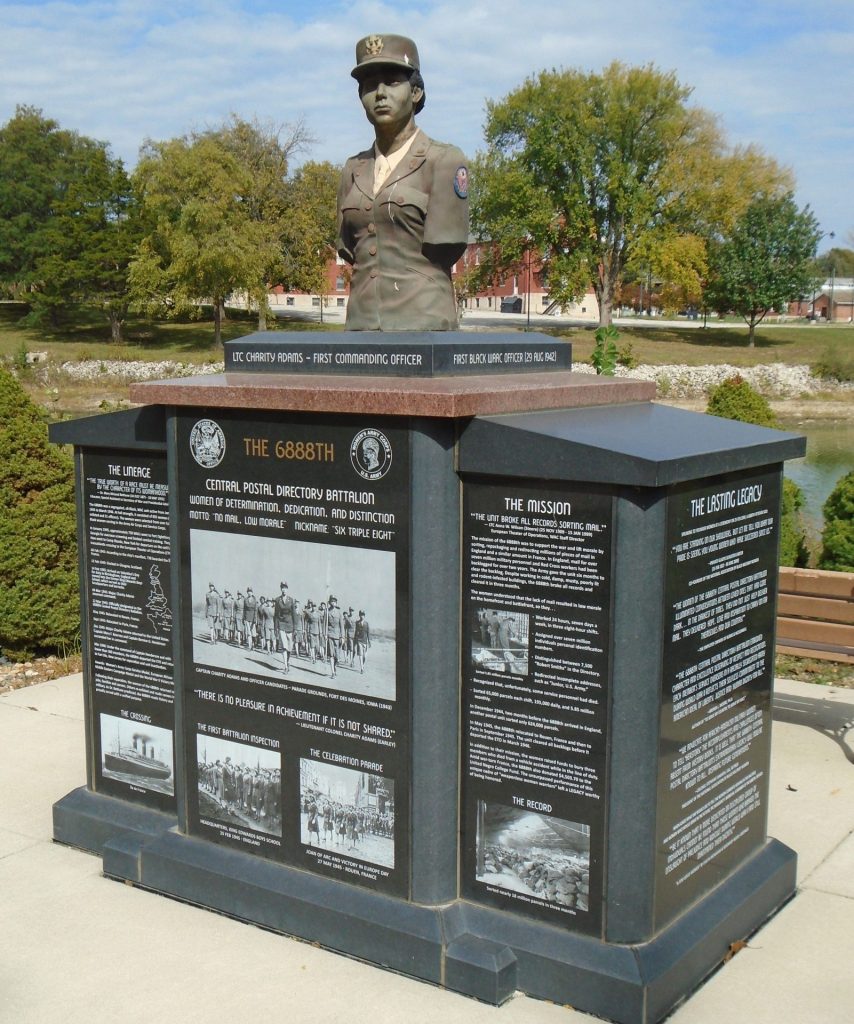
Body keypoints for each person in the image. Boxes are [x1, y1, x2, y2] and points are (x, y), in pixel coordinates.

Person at [337, 33, 469, 331]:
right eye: (369, 85)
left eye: (392, 82)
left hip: (424, 326)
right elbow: (347, 247)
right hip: (360, 327)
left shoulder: (443, 161)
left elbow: (446, 245)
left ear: (416, 92)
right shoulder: (352, 170)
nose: (380, 93)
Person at [273, 581, 296, 672]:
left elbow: (294, 614)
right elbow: (276, 615)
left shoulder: (291, 600)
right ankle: (286, 666)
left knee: (290, 647)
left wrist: (295, 628)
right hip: (281, 625)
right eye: (282, 587)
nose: (284, 589)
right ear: (280, 589)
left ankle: (287, 660)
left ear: (287, 589)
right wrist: (275, 627)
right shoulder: (277, 600)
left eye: (285, 588)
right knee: (284, 647)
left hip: (290, 625)